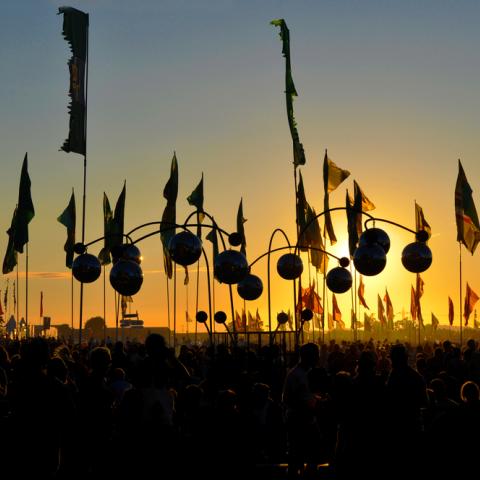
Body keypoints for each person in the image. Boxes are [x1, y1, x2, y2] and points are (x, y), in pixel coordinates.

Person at [283, 343, 321, 478]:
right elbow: (296, 400)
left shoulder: (299, 373)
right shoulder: (298, 376)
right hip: (300, 421)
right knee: (302, 456)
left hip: (302, 420)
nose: (318, 358)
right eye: (316, 355)